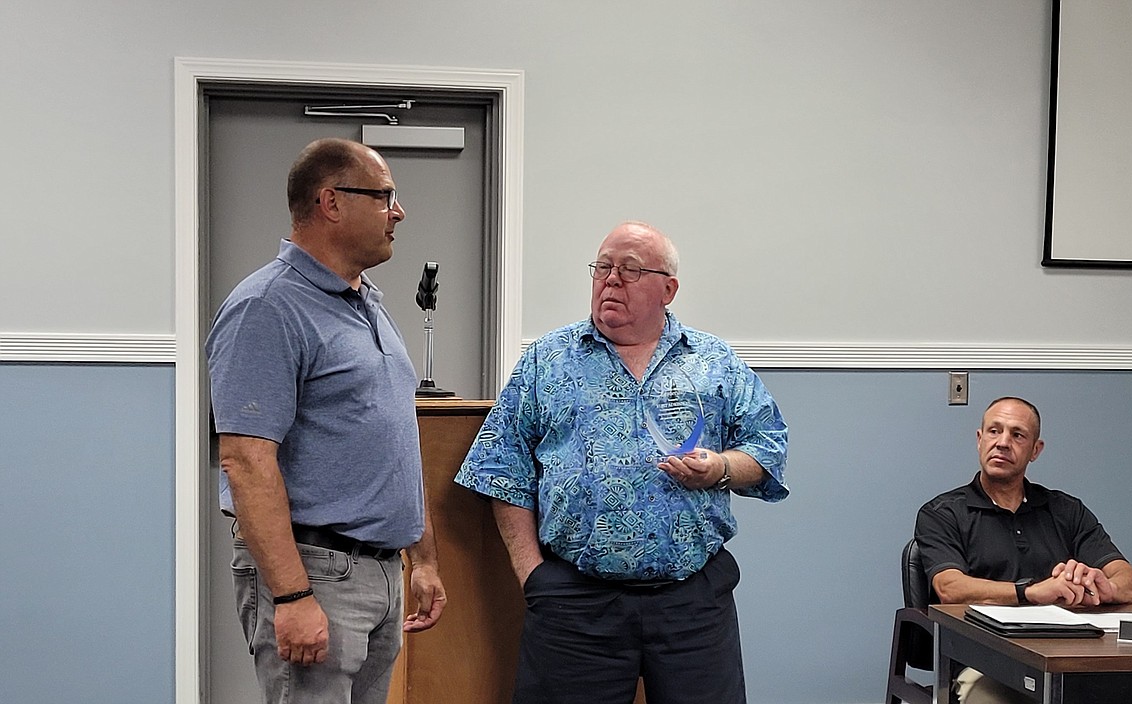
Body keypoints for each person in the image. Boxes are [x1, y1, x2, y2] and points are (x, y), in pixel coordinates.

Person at [455, 221, 789, 704]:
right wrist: (534, 576)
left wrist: (719, 468)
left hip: (692, 604)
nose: (610, 280)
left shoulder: (713, 361)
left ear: (668, 289)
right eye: (603, 267)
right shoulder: (547, 360)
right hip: (574, 604)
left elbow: (768, 449)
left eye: (630, 270)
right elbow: (501, 470)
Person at [206, 138, 447, 704]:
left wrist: (424, 558)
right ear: (330, 202)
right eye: (384, 195)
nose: (399, 211)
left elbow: (397, 441)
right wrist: (290, 597)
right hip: (315, 573)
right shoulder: (267, 307)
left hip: (381, 573)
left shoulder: (367, 303)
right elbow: (245, 460)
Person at [915, 396, 1132, 704]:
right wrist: (1030, 592)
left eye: (1017, 434)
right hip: (984, 665)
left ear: (1035, 450)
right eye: (994, 431)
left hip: (1068, 662)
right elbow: (950, 588)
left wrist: (1107, 586)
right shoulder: (943, 513)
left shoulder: (1066, 510)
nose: (1003, 442)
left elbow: (1131, 581)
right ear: (980, 440)